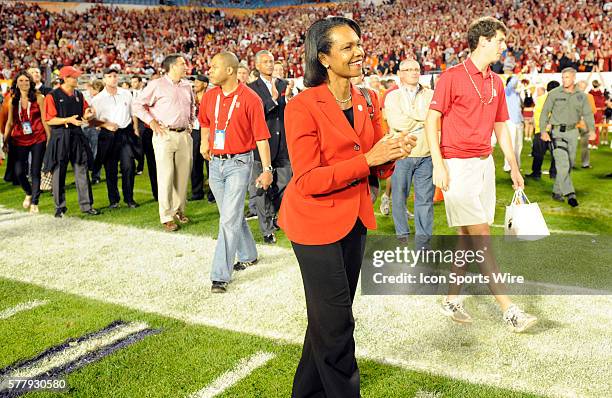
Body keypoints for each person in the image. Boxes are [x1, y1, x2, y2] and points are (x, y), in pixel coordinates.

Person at [278, 17, 415, 397]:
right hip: (313, 223)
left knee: (327, 321)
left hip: (354, 219)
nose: (359, 52)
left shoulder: (366, 99)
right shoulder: (301, 106)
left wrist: (393, 153)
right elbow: (307, 180)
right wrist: (370, 159)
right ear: (323, 57)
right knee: (338, 325)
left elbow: (374, 162)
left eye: (359, 44)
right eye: (347, 47)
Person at [425, 17, 537, 332]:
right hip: (456, 167)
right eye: (500, 41)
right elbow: (431, 121)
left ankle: (449, 299)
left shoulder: (497, 82)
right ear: (483, 40)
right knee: (482, 238)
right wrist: (438, 164)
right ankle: (510, 310)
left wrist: (513, 165)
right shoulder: (451, 77)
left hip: (484, 165)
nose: (503, 47)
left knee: (467, 237)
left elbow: (501, 126)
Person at [199, 51, 273, 292]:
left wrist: (267, 169)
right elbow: (205, 123)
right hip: (216, 164)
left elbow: (262, 138)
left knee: (228, 218)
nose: (209, 70)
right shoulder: (210, 96)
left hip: (239, 163)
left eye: (213, 66)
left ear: (229, 70)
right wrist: (204, 142)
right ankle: (249, 253)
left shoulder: (251, 99)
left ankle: (220, 275)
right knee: (230, 214)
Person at [133, 54, 195, 231]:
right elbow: (137, 105)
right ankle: (166, 215)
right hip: (164, 134)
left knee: (182, 177)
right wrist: (151, 122)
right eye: (183, 64)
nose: (186, 66)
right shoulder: (156, 85)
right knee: (166, 176)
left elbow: (192, 107)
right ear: (172, 66)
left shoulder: (187, 85)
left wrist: (191, 122)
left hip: (183, 134)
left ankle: (178, 210)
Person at [247, 50, 294, 244]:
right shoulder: (250, 88)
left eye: (271, 61)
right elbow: (257, 114)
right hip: (262, 145)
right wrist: (274, 100)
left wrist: (289, 98)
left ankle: (276, 216)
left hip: (283, 143)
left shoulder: (284, 85)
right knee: (262, 189)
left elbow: (292, 111)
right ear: (257, 66)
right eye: (265, 62)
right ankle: (267, 229)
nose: (269, 64)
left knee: (285, 184)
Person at [384, 59, 435, 239]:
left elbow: (435, 119)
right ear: (400, 73)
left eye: (416, 69)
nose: (414, 72)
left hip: (427, 154)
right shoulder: (392, 96)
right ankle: (402, 236)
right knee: (399, 198)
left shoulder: (430, 94)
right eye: (408, 69)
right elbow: (398, 122)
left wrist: (421, 120)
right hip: (401, 153)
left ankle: (424, 239)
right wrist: (424, 120)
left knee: (425, 201)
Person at [43, 66, 99, 218]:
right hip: (60, 136)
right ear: (66, 78)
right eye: (74, 77)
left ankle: (87, 206)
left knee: (82, 170)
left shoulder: (79, 95)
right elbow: (50, 120)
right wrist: (68, 120)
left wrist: (88, 114)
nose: (77, 79)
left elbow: (85, 115)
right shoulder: (52, 96)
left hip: (76, 136)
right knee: (59, 172)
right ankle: (59, 207)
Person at [540, 68, 595, 207]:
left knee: (568, 164)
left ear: (574, 78)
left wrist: (592, 130)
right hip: (557, 132)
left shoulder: (581, 96)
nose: (565, 80)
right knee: (563, 163)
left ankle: (557, 191)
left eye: (567, 77)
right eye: (563, 77)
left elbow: (588, 114)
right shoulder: (554, 93)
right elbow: (544, 112)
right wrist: (543, 131)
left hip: (573, 132)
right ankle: (570, 194)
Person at [90, 67, 140, 209]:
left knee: (129, 166)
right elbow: (91, 121)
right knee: (110, 169)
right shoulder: (97, 99)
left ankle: (129, 199)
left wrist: (135, 129)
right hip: (108, 135)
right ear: (104, 79)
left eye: (115, 75)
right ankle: (114, 200)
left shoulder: (126, 94)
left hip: (125, 133)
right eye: (110, 76)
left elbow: (133, 113)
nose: (113, 78)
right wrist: (106, 124)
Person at [2, 71, 50, 213]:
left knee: (35, 171)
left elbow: (44, 119)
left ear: (31, 83)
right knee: (19, 172)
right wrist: (5, 141)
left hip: (38, 137)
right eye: (21, 81)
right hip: (18, 138)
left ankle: (35, 202)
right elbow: (10, 123)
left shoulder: (39, 97)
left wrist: (49, 137)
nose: (24, 83)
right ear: (16, 83)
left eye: (27, 81)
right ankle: (29, 192)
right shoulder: (12, 100)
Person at [526, 81, 559, 180]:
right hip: (550, 130)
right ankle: (553, 173)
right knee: (555, 153)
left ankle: (536, 173)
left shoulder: (540, 99)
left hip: (540, 129)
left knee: (538, 153)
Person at [190, 74, 215, 203]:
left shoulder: (210, 97)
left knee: (209, 162)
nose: (195, 84)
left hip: (208, 130)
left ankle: (213, 192)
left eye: (198, 82)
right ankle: (196, 191)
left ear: (205, 84)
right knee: (195, 161)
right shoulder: (191, 99)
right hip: (194, 130)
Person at [83, 80, 104, 183]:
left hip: (95, 128)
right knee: (85, 153)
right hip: (85, 127)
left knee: (95, 153)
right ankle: (85, 177)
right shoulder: (86, 97)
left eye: (91, 88)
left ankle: (95, 176)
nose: (89, 90)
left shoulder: (102, 99)